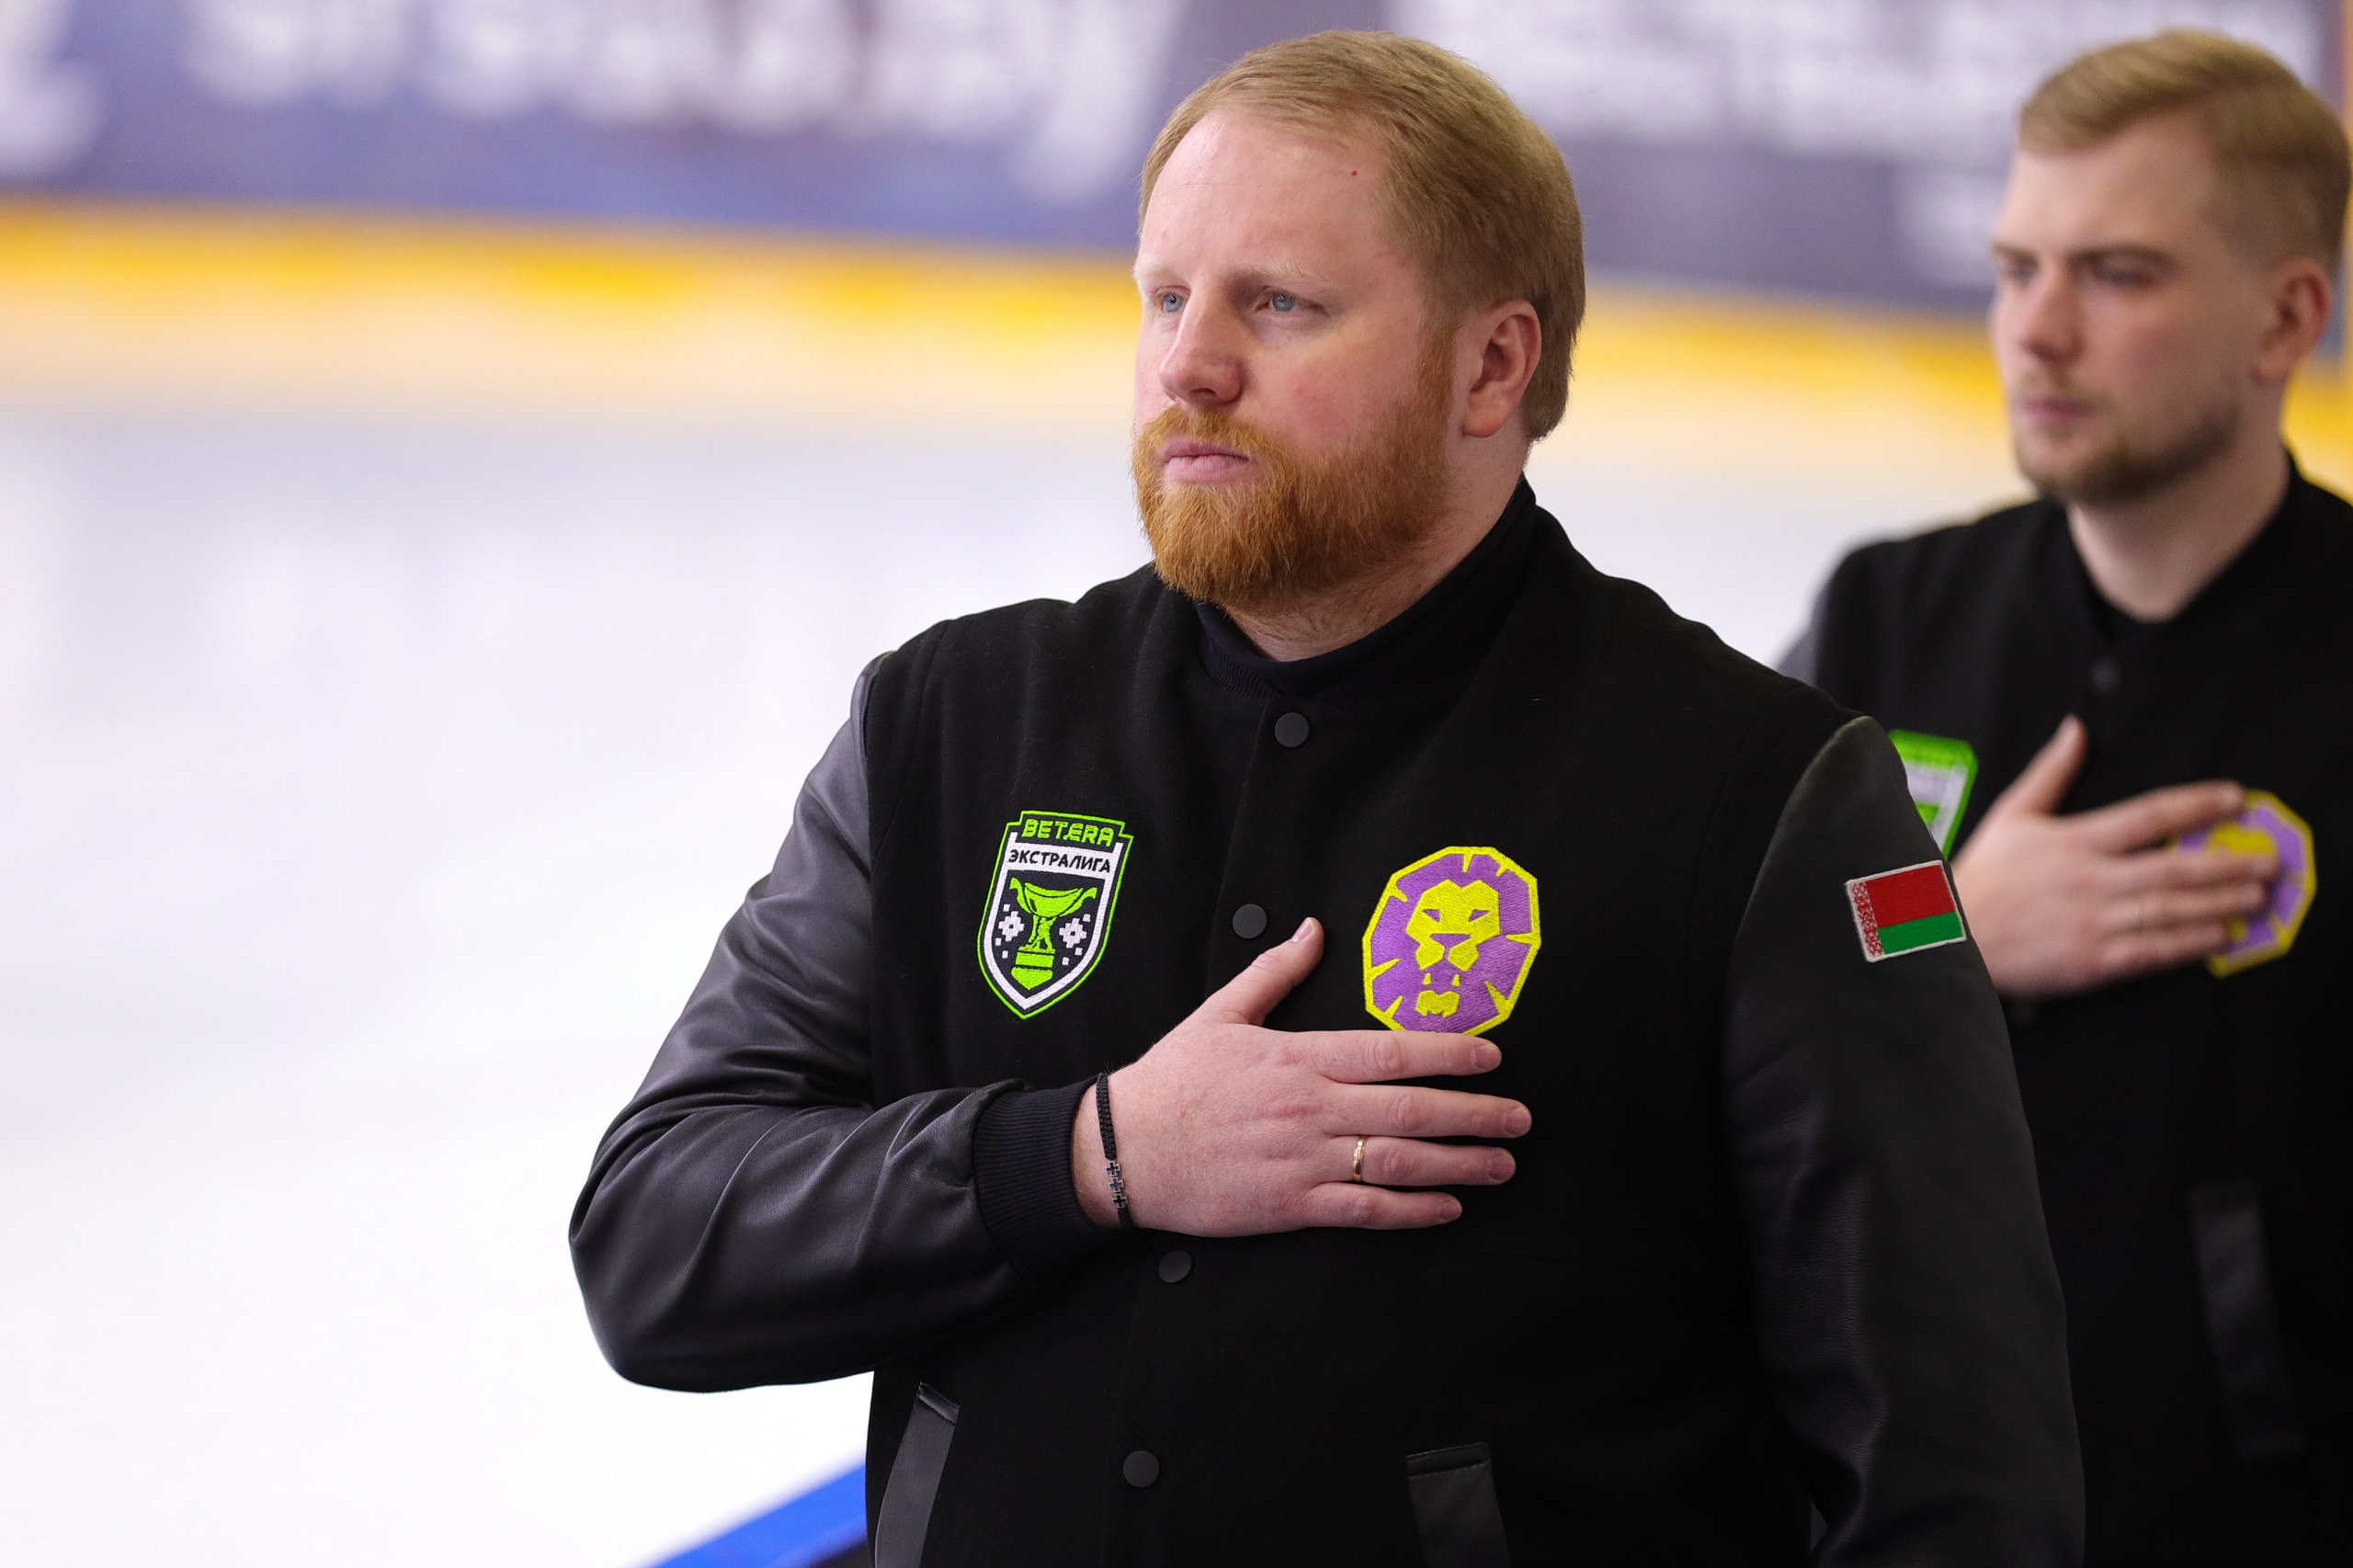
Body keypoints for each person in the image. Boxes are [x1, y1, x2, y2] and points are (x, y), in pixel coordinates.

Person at [574, 32, 2079, 1567]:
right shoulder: (949, 723)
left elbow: (1955, 1482)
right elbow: (655, 1240)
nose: (1190, 365)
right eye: (1167, 297)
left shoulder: (1757, 796)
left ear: (1491, 366)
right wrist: (1090, 1152)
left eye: (1279, 304)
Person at [1784, 30, 2349, 1567]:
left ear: (2286, 317)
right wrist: (1949, 924)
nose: (2034, 331)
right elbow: (1711, 995)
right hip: (1913, 1502)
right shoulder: (1883, 615)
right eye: (2015, 268)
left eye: (2116, 274)